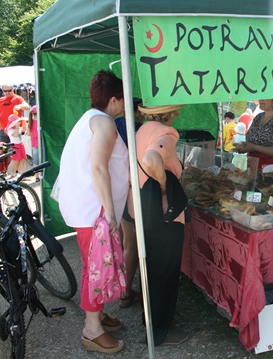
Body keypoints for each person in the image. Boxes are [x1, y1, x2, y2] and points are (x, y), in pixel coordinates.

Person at [58, 70, 129, 354]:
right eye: (122, 99)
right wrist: (110, 212)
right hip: (93, 209)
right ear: (114, 99)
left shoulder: (91, 119)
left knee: (95, 264)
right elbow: (99, 167)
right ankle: (92, 329)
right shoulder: (105, 123)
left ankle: (97, 314)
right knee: (95, 266)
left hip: (86, 206)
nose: (124, 104)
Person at [129, 103, 189, 346]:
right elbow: (151, 158)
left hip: (144, 206)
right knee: (164, 272)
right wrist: (165, 186)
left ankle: (152, 322)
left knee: (152, 268)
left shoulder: (143, 129)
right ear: (172, 112)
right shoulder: (166, 133)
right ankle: (160, 332)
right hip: (164, 212)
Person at [115, 98, 143, 309]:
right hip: (132, 189)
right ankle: (125, 292)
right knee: (131, 244)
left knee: (123, 241)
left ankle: (122, 287)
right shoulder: (140, 129)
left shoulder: (112, 125)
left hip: (116, 188)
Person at [237, 98, 273, 167]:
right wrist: (244, 147)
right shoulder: (258, 117)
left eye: (265, 97)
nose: (261, 99)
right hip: (255, 166)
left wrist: (254, 147)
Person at [5, 114, 28, 179]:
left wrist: (24, 122)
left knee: (22, 160)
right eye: (17, 122)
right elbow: (15, 135)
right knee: (16, 161)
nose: (19, 123)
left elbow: (24, 130)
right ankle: (13, 174)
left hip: (20, 144)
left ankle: (23, 175)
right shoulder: (10, 130)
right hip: (14, 146)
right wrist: (17, 127)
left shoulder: (18, 128)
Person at [27, 106, 40, 181]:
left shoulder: (30, 123)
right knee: (42, 159)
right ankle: (41, 175)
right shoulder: (40, 122)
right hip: (40, 142)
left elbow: (28, 134)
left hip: (34, 143)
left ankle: (36, 176)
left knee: (35, 160)